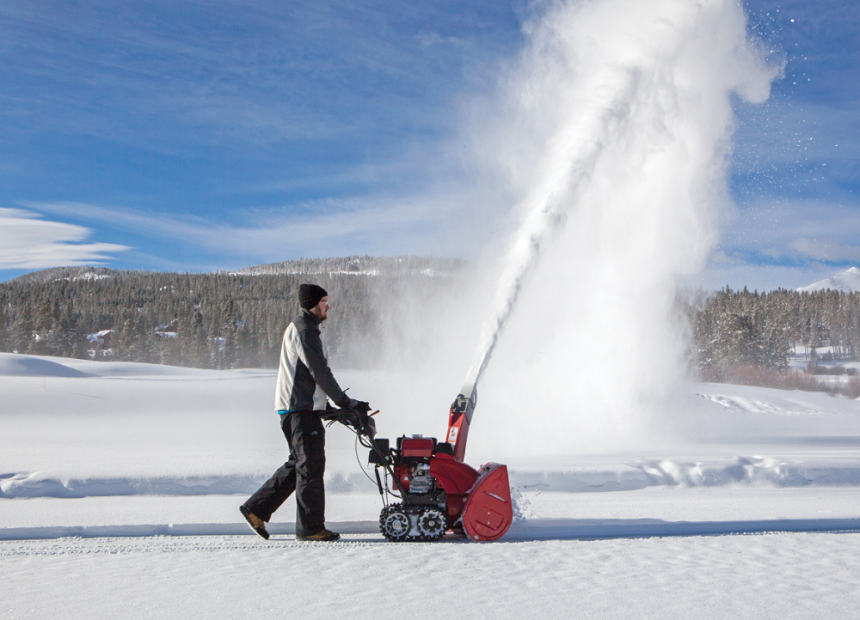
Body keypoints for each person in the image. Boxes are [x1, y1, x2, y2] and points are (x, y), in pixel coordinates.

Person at [240, 283, 370, 542]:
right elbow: (319, 371)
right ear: (313, 303)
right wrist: (346, 402)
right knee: (310, 466)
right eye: (324, 301)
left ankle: (256, 509)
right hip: (299, 410)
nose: (328, 306)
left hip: (300, 409)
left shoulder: (306, 328)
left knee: (299, 464)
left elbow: (308, 377)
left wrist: (328, 407)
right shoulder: (304, 330)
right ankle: (310, 529)